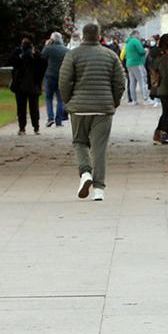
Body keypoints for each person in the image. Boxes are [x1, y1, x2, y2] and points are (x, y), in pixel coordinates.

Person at [60, 23, 125, 201]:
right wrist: (114, 102)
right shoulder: (110, 55)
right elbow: (120, 82)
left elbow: (64, 81)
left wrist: (68, 101)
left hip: (79, 108)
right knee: (100, 148)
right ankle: (99, 190)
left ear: (83, 36)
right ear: (99, 36)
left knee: (80, 142)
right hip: (103, 108)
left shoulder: (72, 55)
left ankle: (85, 172)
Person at [9, 36, 45, 135]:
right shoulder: (35, 54)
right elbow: (42, 67)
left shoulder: (31, 54)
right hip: (31, 85)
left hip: (22, 84)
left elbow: (12, 63)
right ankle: (35, 127)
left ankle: (23, 128)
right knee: (33, 108)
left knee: (22, 108)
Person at [42, 32, 69, 127]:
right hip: (61, 76)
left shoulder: (49, 49)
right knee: (60, 99)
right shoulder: (66, 50)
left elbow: (42, 57)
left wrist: (46, 46)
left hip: (50, 75)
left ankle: (50, 118)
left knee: (48, 97)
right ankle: (59, 120)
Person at [124, 30, 149, 105]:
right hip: (137, 63)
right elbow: (141, 51)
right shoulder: (135, 41)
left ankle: (134, 100)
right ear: (135, 34)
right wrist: (145, 50)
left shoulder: (128, 42)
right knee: (142, 80)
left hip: (129, 63)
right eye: (139, 34)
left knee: (132, 82)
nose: (139, 36)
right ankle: (146, 99)